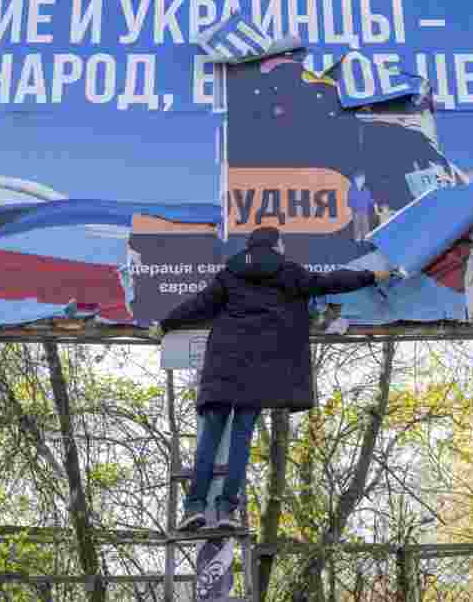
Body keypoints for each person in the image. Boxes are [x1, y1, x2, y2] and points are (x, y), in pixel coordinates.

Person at [147, 226, 393, 531]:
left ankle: (194, 507)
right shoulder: (289, 273)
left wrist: (165, 323)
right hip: (258, 370)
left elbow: (199, 304)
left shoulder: (230, 274)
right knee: (240, 440)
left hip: (223, 362)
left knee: (209, 438)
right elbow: (331, 282)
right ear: (276, 246)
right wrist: (371, 275)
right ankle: (225, 510)